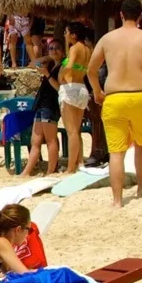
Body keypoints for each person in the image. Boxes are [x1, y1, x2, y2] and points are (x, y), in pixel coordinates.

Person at [87, 0, 142, 208]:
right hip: (140, 95)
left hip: (114, 97)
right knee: (141, 144)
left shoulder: (107, 39)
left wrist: (97, 91)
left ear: (120, 15)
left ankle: (117, 200)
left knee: (116, 152)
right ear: (140, 16)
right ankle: (141, 189)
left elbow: (91, 70)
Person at [58, 23, 93, 173]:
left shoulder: (74, 48)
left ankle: (70, 168)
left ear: (73, 34)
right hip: (82, 88)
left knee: (71, 131)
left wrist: (60, 75)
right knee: (76, 131)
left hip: (70, 88)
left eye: (66, 32)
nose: (64, 35)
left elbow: (70, 65)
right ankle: (79, 163)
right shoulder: (87, 49)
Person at [20, 59, 62, 177]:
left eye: (57, 48)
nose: (54, 50)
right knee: (35, 142)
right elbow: (32, 63)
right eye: (51, 48)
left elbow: (59, 88)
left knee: (51, 140)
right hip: (40, 105)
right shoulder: (51, 64)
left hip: (50, 106)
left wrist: (47, 74)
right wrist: (49, 56)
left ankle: (51, 171)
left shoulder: (62, 66)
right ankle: (26, 171)